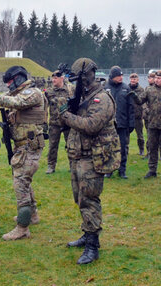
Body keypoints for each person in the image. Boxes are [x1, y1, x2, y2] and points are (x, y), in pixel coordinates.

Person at [58, 58, 120, 264]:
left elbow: (92, 125)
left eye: (82, 77)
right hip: (78, 155)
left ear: (91, 74)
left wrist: (66, 116)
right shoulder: (82, 96)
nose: (80, 81)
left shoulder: (101, 98)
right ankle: (87, 233)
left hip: (92, 158)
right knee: (80, 198)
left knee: (90, 200)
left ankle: (93, 245)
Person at [0, 66, 46, 241]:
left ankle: (23, 228)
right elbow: (8, 99)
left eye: (10, 82)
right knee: (25, 181)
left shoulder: (32, 93)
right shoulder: (18, 93)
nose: (8, 85)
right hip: (22, 147)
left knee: (20, 184)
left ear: (19, 78)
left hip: (29, 147)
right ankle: (33, 215)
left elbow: (15, 103)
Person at [131, 70, 161, 181]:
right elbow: (140, 100)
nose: (156, 80)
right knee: (152, 148)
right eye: (155, 78)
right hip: (152, 124)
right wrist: (134, 96)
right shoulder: (149, 90)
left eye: (159, 78)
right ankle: (152, 170)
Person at [104, 66, 134, 179]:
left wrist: (131, 123)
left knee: (122, 148)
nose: (121, 77)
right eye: (118, 76)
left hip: (122, 124)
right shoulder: (105, 88)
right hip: (108, 124)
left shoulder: (126, 88)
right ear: (112, 77)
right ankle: (109, 170)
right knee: (108, 147)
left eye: (122, 75)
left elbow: (131, 107)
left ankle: (122, 170)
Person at [44, 69, 74, 174]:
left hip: (68, 123)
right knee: (52, 146)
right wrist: (44, 123)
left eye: (55, 78)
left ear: (62, 78)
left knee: (71, 145)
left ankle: (73, 165)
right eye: (52, 78)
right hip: (54, 123)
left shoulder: (70, 89)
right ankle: (51, 166)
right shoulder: (49, 92)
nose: (53, 80)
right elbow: (44, 108)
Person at [128, 73, 145, 156]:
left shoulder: (141, 90)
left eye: (134, 79)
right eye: (131, 79)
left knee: (140, 135)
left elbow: (142, 101)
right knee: (126, 135)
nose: (133, 80)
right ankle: (125, 149)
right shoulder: (126, 88)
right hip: (128, 115)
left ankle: (141, 149)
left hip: (137, 116)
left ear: (137, 80)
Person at [143, 72, 155, 158]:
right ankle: (149, 152)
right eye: (149, 78)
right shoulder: (147, 89)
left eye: (151, 78)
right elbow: (143, 101)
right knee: (149, 135)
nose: (149, 79)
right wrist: (146, 109)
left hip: (157, 116)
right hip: (148, 116)